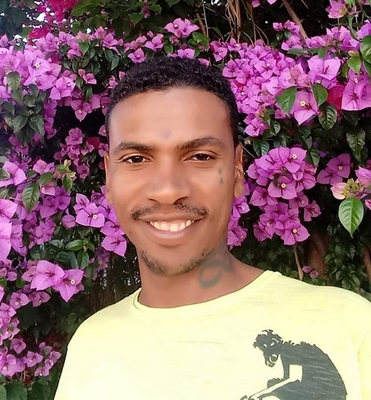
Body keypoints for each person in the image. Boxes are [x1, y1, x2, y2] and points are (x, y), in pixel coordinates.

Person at [54, 57, 371, 400]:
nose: (168, 190)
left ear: (237, 170)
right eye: (136, 159)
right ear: (109, 177)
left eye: (200, 156)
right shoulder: (91, 345)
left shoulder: (349, 325)